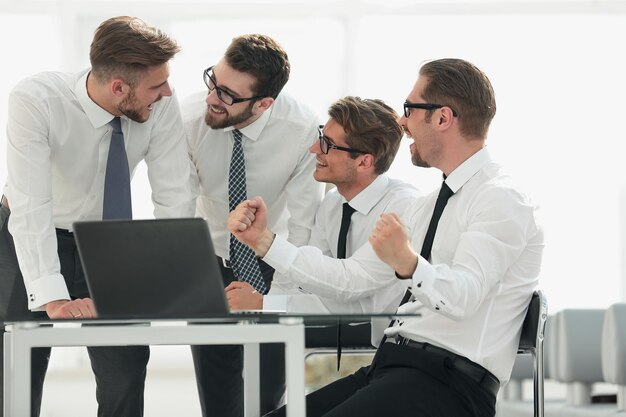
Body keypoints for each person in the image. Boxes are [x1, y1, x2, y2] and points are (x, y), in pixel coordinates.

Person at [234, 58, 545, 417]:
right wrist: (265, 242)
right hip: (392, 367)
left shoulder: (501, 199)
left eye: (410, 109)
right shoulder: (425, 207)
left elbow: (463, 297)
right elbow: (352, 281)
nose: (401, 121)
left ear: (443, 118)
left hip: (448, 385)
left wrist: (409, 264)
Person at [0, 16, 193, 417]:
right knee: (15, 376)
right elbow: (31, 204)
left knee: (125, 367)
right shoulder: (36, 100)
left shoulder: (161, 103)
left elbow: (174, 192)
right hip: (26, 237)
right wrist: (52, 297)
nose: (168, 92)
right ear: (118, 87)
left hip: (110, 242)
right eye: (157, 86)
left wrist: (174, 277)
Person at [181, 34, 324, 417]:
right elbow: (177, 203)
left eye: (227, 94)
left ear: (264, 103)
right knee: (217, 395)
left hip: (272, 255)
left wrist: (274, 298)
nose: (213, 97)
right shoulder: (189, 118)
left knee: (266, 396)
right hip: (209, 254)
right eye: (213, 80)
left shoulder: (302, 129)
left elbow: (304, 223)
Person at [226, 96, 419, 349]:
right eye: (320, 136)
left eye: (328, 144)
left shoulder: (401, 209)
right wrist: (263, 303)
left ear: (364, 162)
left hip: (401, 348)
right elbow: (313, 285)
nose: (314, 150)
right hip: (356, 340)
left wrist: (265, 244)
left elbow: (351, 287)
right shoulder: (332, 203)